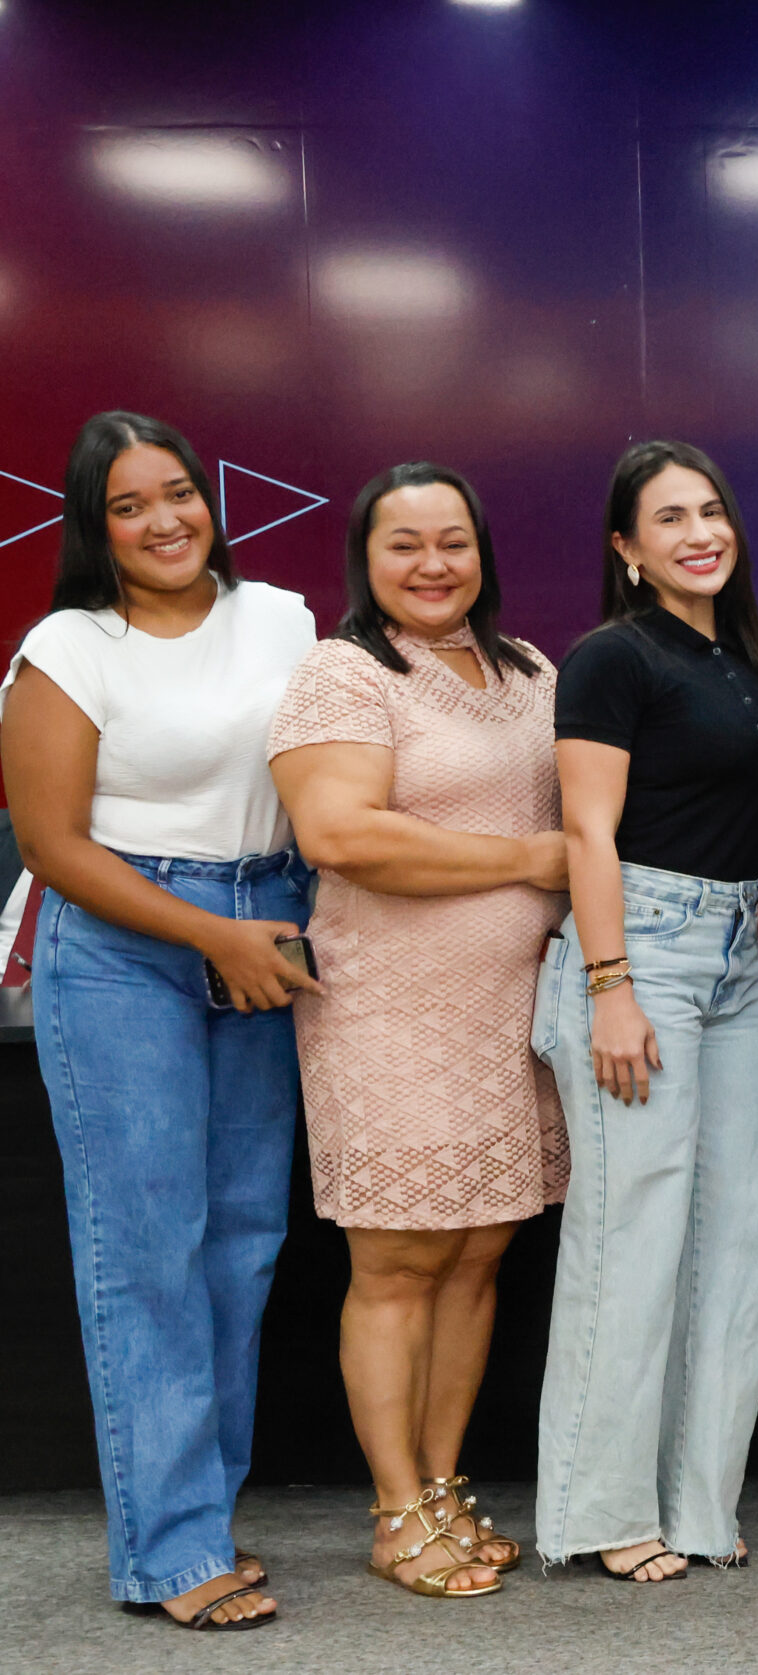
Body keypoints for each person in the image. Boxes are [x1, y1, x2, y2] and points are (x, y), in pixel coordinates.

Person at [0, 412, 317, 1630]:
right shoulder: (68, 647)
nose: (164, 520)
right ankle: (171, 1549)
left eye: (177, 492)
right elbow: (51, 844)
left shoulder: (281, 619)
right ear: (97, 527)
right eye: (128, 506)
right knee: (148, 1252)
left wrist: (259, 930)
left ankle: (200, 1521)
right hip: (124, 948)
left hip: (266, 927)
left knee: (241, 1244)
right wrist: (208, 936)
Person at [266, 463, 570, 1598]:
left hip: (514, 1013)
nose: (433, 564)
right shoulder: (343, 673)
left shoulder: (529, 669)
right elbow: (342, 835)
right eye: (405, 544)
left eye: (454, 541)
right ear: (365, 558)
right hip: (391, 1011)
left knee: (479, 1248)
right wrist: (529, 860)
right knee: (399, 1259)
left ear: (482, 551)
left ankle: (444, 1492)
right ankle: (397, 1513)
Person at [534, 440, 758, 1582]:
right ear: (627, 548)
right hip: (637, 951)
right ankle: (604, 1512)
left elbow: (735, 796)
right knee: (631, 1235)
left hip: (734, 958)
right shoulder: (610, 657)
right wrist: (611, 989)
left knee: (739, 1237)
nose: (701, 533)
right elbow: (588, 830)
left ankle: (699, 1500)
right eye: (670, 518)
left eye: (712, 511)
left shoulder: (740, 659)